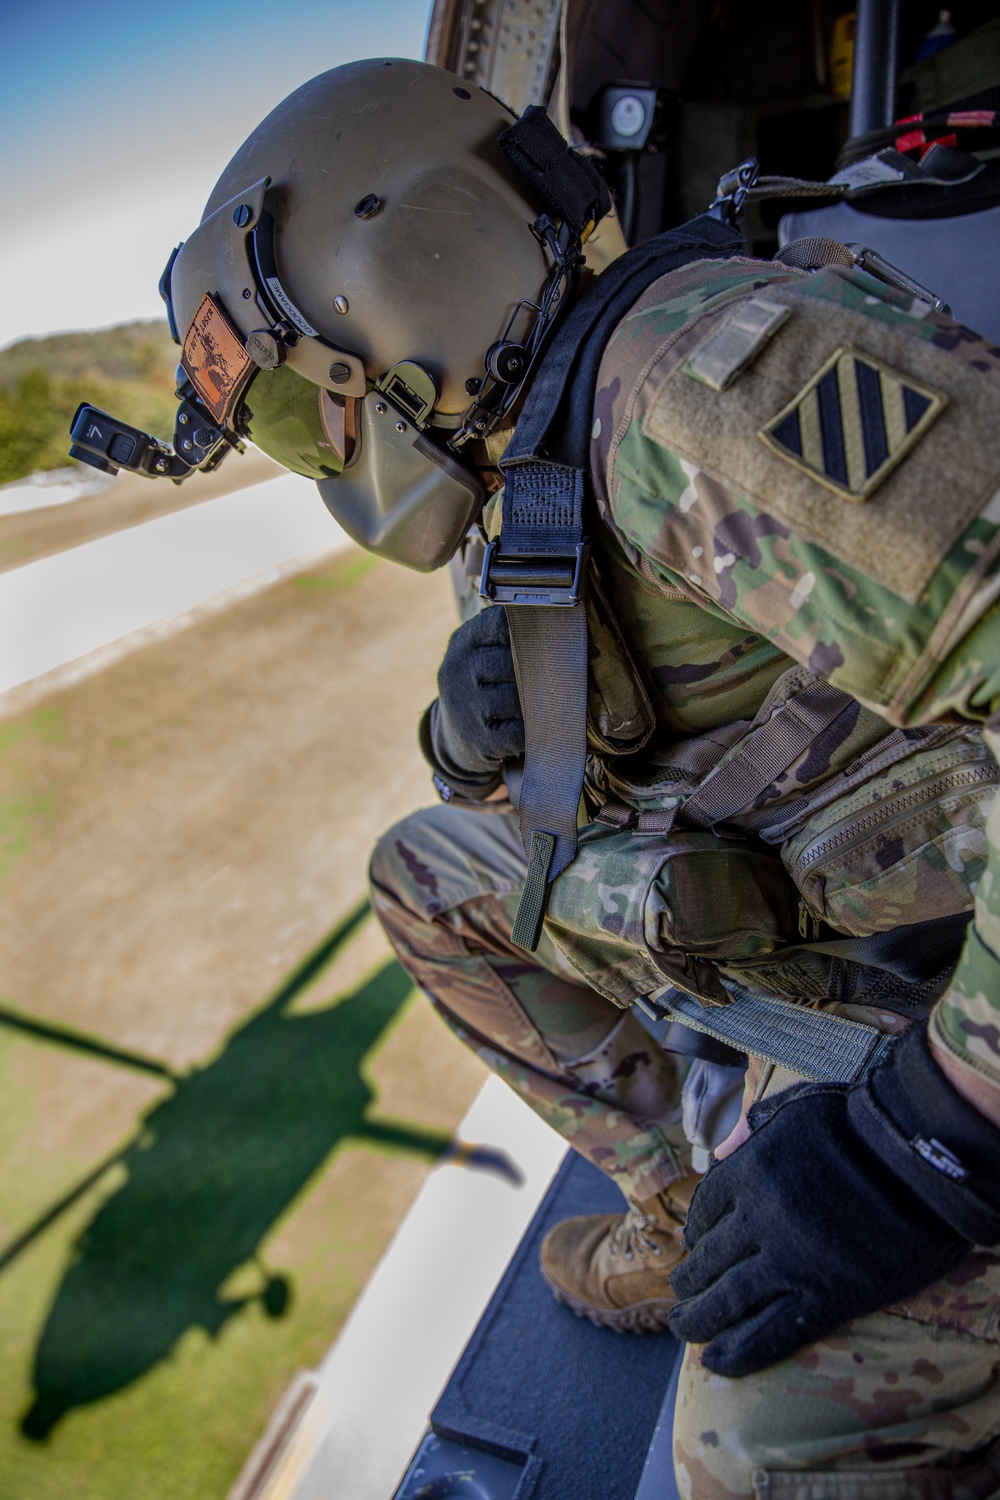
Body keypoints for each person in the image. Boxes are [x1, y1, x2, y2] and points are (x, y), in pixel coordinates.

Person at [133, 58, 1000, 1498]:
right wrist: (470, 743)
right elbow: (643, 732)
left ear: (412, 285)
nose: (321, 462)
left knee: (750, 1464)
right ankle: (688, 1197)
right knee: (428, 876)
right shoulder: (548, 437)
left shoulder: (692, 393)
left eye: (303, 418)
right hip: (832, 849)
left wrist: (926, 1138)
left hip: (942, 946)